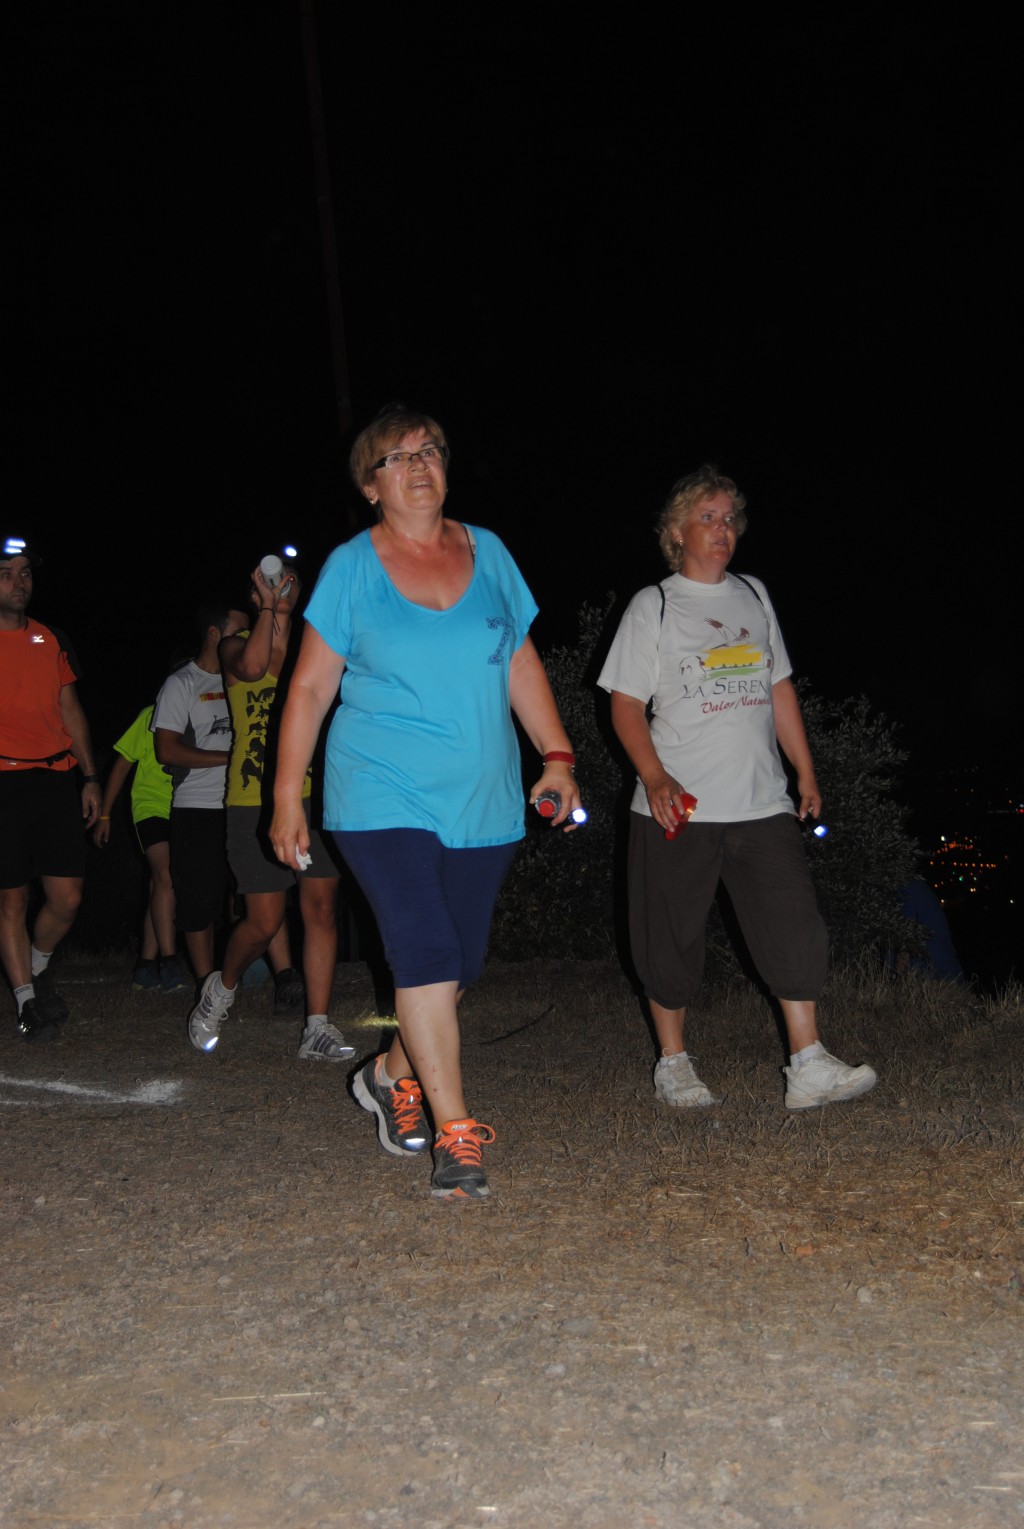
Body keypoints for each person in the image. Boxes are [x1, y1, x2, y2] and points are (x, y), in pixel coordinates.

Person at [269, 404, 582, 1199]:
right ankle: (456, 1137)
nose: (418, 464)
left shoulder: (490, 552)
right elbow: (309, 688)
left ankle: (387, 1074)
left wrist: (556, 754)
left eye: (430, 450)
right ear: (370, 486)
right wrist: (285, 795)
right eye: (397, 456)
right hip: (380, 788)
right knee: (426, 951)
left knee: (459, 964)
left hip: (481, 793)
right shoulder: (352, 567)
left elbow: (519, 661)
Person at [598, 466, 876, 1110]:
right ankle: (674, 1063)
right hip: (678, 804)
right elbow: (625, 704)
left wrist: (805, 770)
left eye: (729, 518)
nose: (722, 528)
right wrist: (655, 775)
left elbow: (778, 687)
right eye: (707, 517)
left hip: (761, 802)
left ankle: (808, 1063)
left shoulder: (753, 594)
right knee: (669, 937)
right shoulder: (654, 604)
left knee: (793, 924)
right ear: (676, 532)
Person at [187, 561, 353, 1062]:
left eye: (291, 583)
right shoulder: (233, 644)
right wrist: (267, 608)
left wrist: (283, 610)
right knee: (263, 922)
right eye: (274, 581)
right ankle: (222, 988)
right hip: (252, 799)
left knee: (321, 907)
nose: (284, 587)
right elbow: (255, 668)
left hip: (314, 794)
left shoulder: (312, 645)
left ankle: (317, 1026)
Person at [0, 535, 101, 1041]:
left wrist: (90, 776)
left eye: (25, 573)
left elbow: (70, 709)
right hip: (3, 781)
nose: (19, 583)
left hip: (56, 777)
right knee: (12, 897)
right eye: (6, 574)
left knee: (67, 897)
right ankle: (26, 1001)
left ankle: (38, 966)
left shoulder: (51, 638)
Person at [152, 602, 248, 984]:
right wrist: (229, 757)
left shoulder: (244, 680)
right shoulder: (183, 683)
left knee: (255, 894)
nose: (247, 639)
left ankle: (263, 973)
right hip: (197, 807)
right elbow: (166, 750)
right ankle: (208, 984)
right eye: (239, 632)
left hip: (244, 803)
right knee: (198, 903)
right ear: (214, 634)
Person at [93, 703, 189, 993]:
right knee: (165, 875)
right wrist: (105, 815)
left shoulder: (206, 711)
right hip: (150, 806)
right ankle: (170, 962)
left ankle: (145, 967)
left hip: (188, 805)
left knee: (162, 886)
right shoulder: (152, 714)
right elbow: (123, 762)